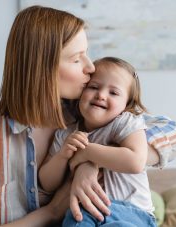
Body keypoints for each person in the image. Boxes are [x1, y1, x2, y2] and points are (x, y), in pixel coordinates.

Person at [0, 5, 176, 227]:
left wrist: (89, 159)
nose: (91, 67)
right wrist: (52, 211)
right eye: (77, 59)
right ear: (42, 69)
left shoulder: (91, 114)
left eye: (87, 54)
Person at [39, 56, 156, 226]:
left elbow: (135, 162)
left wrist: (86, 152)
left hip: (131, 213)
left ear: (126, 104)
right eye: (93, 87)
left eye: (113, 93)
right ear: (81, 93)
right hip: (82, 211)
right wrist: (63, 156)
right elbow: (47, 183)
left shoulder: (125, 123)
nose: (101, 95)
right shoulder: (66, 134)